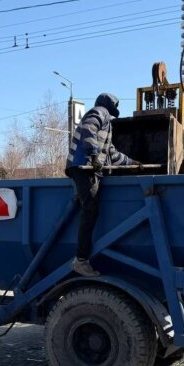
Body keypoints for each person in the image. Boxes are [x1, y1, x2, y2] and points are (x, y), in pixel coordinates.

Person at [64, 92, 139, 277]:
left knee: (89, 208)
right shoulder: (100, 112)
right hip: (83, 167)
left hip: (87, 168)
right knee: (90, 210)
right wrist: (93, 155)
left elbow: (112, 154)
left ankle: (81, 257)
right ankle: (81, 260)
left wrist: (133, 163)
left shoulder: (107, 126)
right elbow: (88, 129)